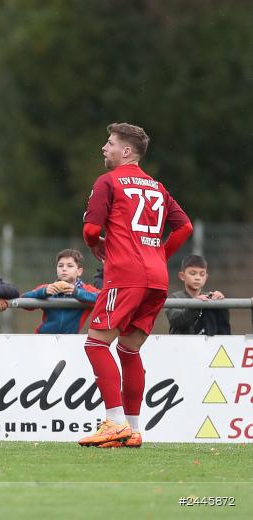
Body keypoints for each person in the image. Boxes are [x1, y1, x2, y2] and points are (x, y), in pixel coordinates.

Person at [79, 123, 192, 449]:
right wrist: (158, 255)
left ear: (126, 151)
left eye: (110, 143)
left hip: (126, 276)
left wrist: (95, 244)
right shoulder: (157, 187)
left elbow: (90, 230)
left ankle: (114, 422)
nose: (104, 148)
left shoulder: (108, 182)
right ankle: (133, 429)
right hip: (156, 279)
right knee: (129, 350)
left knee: (96, 344)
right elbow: (184, 227)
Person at [22, 249, 99, 334]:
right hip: (42, 338)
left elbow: (104, 298)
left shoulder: (86, 290)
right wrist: (43, 293)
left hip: (70, 339)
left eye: (70, 266)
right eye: (60, 266)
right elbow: (23, 301)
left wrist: (77, 293)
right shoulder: (46, 288)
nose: (64, 269)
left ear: (79, 271)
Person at [166, 255, 230, 336]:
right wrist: (195, 305)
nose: (197, 278)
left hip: (207, 343)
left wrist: (221, 304)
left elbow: (223, 327)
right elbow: (177, 321)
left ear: (206, 277)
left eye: (202, 274)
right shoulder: (175, 298)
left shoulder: (210, 298)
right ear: (182, 276)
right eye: (193, 273)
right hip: (181, 343)